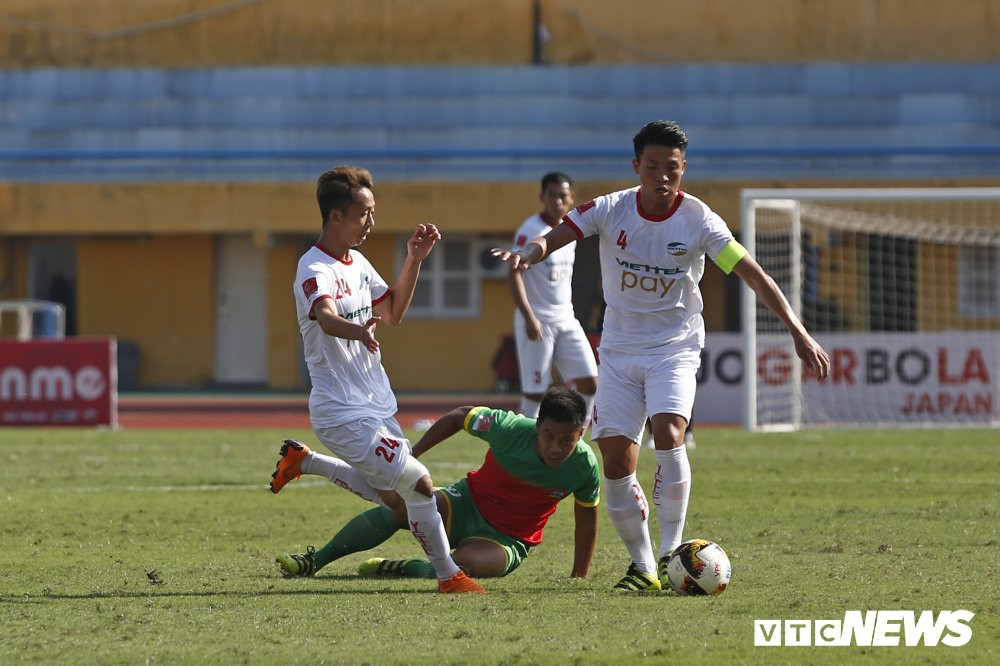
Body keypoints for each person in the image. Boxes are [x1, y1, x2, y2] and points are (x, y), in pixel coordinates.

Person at [493, 121, 831, 591]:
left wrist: (798, 331)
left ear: (683, 168)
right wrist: (529, 254)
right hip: (618, 350)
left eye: (672, 167)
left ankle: (674, 553)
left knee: (670, 433)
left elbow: (753, 274)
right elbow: (557, 235)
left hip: (674, 347)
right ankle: (644, 566)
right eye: (653, 166)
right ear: (637, 167)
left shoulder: (699, 220)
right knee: (616, 461)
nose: (662, 176)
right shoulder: (611, 209)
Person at [270, 165, 484, 594]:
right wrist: (358, 330)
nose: (371, 221)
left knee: (396, 502)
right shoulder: (313, 267)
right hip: (340, 412)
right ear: (336, 216)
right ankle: (450, 576)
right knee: (420, 484)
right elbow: (326, 317)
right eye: (364, 213)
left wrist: (414, 259)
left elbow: (393, 312)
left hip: (376, 403)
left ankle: (304, 461)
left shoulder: (359, 263)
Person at [274, 386, 600, 581]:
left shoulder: (584, 465)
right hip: (465, 503)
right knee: (398, 508)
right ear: (537, 426)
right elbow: (459, 416)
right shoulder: (510, 428)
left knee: (461, 569)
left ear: (580, 433)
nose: (556, 447)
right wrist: (412, 456)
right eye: (548, 436)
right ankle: (315, 561)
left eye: (567, 440)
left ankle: (403, 568)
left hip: (508, 539)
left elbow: (586, 519)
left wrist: (579, 575)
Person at [508, 172, 598, 423]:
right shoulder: (531, 230)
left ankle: (576, 435)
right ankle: (526, 440)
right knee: (535, 392)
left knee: (590, 383)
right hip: (538, 319)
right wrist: (529, 317)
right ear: (542, 197)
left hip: (566, 319)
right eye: (552, 195)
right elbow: (514, 274)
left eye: (563, 196)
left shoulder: (570, 230)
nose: (558, 201)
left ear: (571, 198)